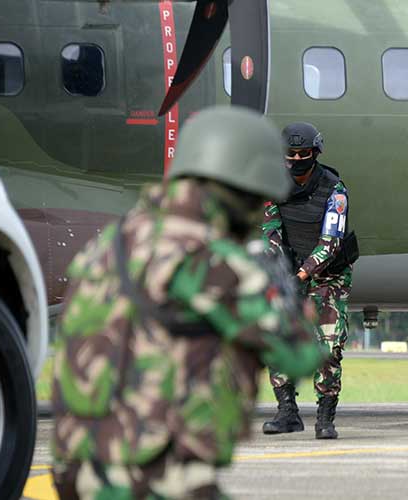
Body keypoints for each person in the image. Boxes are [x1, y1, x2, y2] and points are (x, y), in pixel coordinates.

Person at [51, 106, 324, 498]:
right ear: (241, 191)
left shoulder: (111, 243)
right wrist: (288, 303)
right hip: (154, 475)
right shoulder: (212, 259)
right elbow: (298, 356)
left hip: (77, 467)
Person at [262, 122, 357, 440]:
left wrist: (302, 273)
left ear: (315, 153)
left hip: (327, 275)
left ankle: (325, 417)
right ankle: (287, 411)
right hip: (290, 273)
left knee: (328, 346)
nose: (298, 159)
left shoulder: (334, 189)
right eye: (291, 154)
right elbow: (270, 231)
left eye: (304, 153)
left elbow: (330, 242)